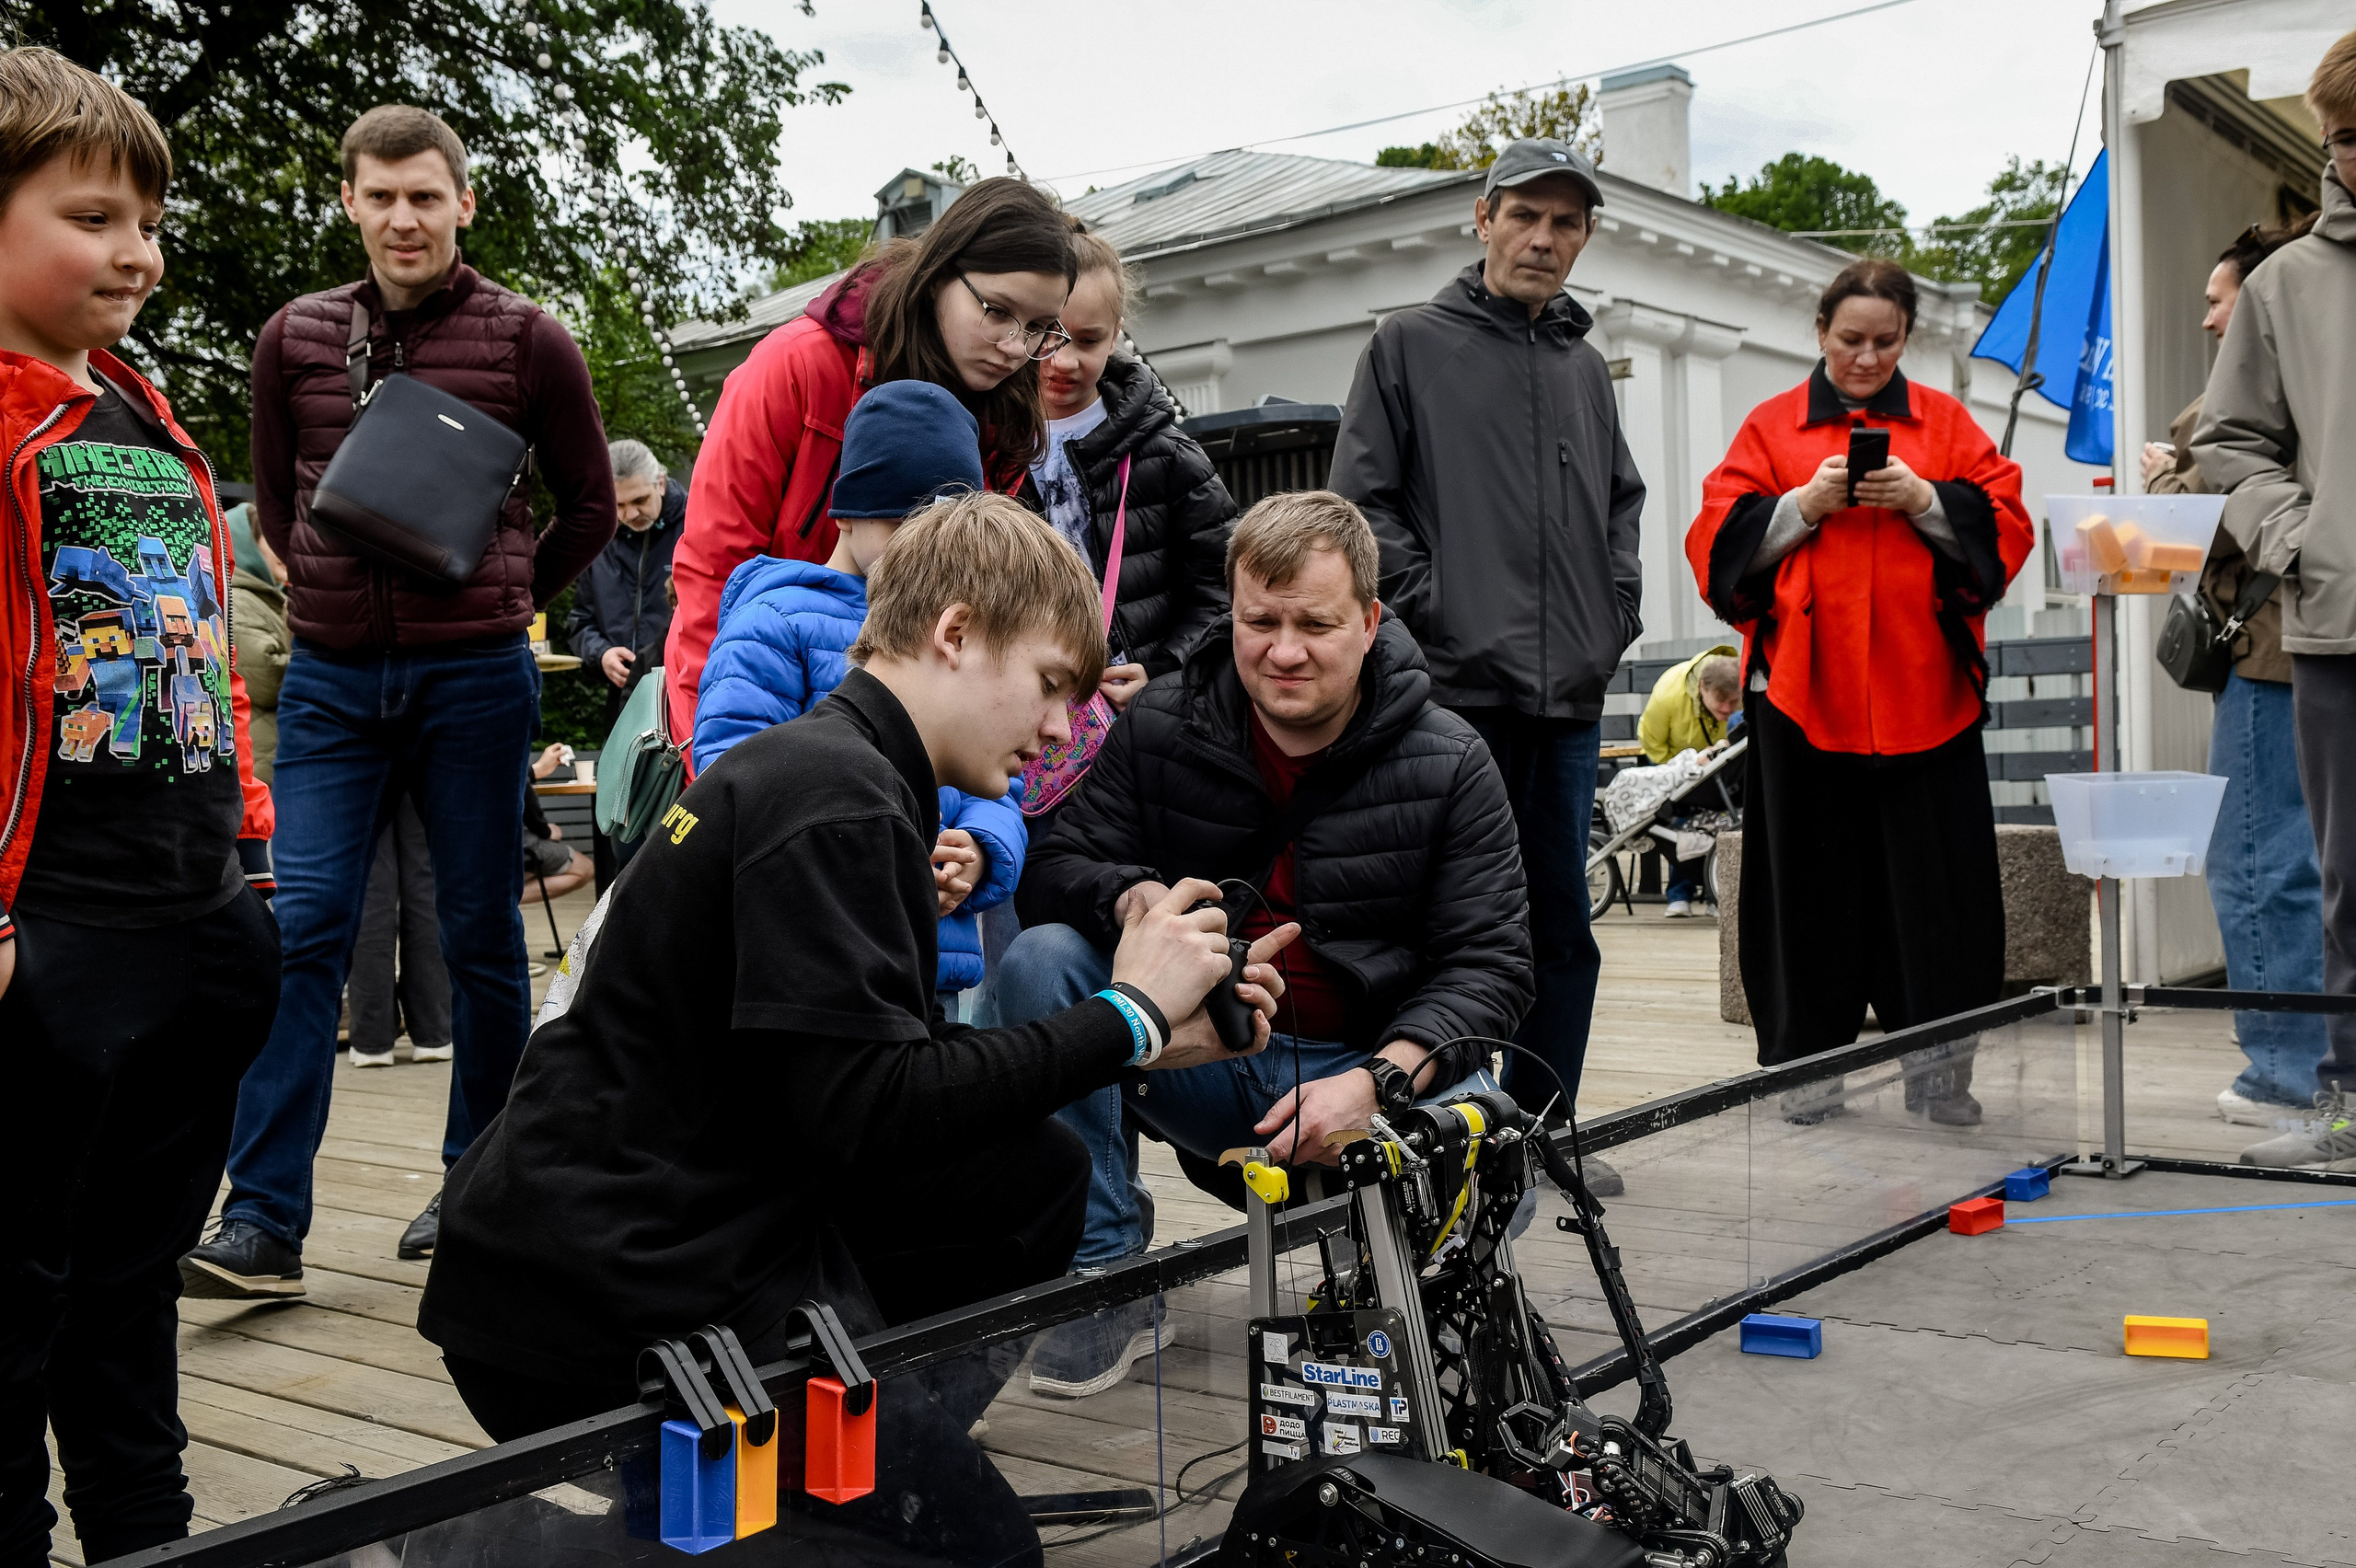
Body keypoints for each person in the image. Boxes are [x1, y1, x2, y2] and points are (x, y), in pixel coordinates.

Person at [417, 494, 1295, 1513]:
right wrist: (1128, 1012)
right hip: (605, 1296)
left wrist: (1140, 1044)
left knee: (1033, 1173)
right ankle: (827, 1500)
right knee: (979, 1551)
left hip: (625, 1236)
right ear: (956, 632)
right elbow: (871, 1116)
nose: (1062, 730)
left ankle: (845, 1475)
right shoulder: (838, 800)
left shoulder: (831, 773)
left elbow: (885, 1095)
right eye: (1053, 686)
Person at [184, 105, 615, 1297]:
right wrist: (322, 592)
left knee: (480, 938)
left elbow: (584, 502)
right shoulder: (294, 337)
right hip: (328, 682)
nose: (403, 218)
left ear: (462, 202)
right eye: (380, 196)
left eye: (424, 195)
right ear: (349, 202)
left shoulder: (532, 341)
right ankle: (263, 1219)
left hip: (475, 674)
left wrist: (504, 590)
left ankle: (479, 1185)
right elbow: (276, 502)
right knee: (306, 925)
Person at [999, 490, 1534, 1398]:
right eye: (1260, 621)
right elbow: (1058, 869)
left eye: (1315, 624)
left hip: (1371, 1065)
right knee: (1041, 960)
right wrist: (1144, 905)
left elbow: (1492, 964)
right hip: (1208, 1050)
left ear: (1369, 621)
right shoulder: (1158, 724)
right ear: (1230, 610)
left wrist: (1378, 1082)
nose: (1283, 651)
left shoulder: (1452, 759)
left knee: (1479, 1201)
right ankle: (1102, 1279)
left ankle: (1368, 1237)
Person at [0, 48, 280, 1564]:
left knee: (130, 1289)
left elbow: (198, 654)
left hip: (189, 916)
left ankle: (149, 1542)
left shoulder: (140, 412)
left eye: (149, 223)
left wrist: (248, 852)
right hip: (45, 935)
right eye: (93, 215)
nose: (138, 252)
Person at [1330, 137, 1644, 1130]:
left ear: (1584, 237)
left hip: (1566, 703)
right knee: (1459, 929)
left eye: (1565, 223)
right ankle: (1441, 1132)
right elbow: (1362, 506)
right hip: (1455, 695)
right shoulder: (1408, 345)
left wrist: (1613, 616)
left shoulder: (1586, 367)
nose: (1543, 239)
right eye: (1525, 216)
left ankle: (1540, 1133)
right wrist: (1436, 617)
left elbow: (1620, 508)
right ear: (1483, 218)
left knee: (1560, 927)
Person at [1685, 259, 2032, 1124]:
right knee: (1807, 896)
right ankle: (1805, 1073)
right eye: (1850, 340)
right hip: (1804, 701)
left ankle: (1940, 1075)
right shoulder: (1770, 429)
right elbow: (1713, 548)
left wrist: (1924, 499)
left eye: (1886, 341)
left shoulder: (1949, 424)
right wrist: (1803, 505)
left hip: (1930, 701)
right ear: (1819, 333)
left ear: (1908, 337)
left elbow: (2006, 528)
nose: (1868, 358)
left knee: (1939, 901)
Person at [665, 178, 1076, 763]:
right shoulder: (795, 366)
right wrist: (711, 771)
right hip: (758, 714)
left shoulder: (1004, 415)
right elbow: (713, 576)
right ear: (938, 273)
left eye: (1038, 329)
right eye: (997, 312)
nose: (1015, 347)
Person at [694, 382, 1025, 1022]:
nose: (923, 551)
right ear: (845, 514)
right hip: (806, 957)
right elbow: (733, 778)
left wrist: (982, 851)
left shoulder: (957, 633)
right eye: (903, 522)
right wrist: (873, 861)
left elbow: (1001, 781)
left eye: (942, 533)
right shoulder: (774, 621)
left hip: (932, 959)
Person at [2193, 26, 2356, 1172]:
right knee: (2348, 888)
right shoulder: (2288, 280)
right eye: (2350, 138)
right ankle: (2344, 1104)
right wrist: (2305, 539)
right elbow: (2228, 440)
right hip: (2339, 630)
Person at [2144, 219, 2327, 1126]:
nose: (2211, 321)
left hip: (2270, 655)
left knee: (2258, 863)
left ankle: (2284, 1075)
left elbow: (2199, 527)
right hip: (2319, 647)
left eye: (2218, 302)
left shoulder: (2245, 399)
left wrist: (2167, 476)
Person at [567, 438, 682, 721]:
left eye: (640, 500)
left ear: (661, 483)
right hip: (622, 699)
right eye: (618, 505)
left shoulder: (696, 525)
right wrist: (601, 654)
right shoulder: (599, 537)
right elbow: (581, 620)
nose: (630, 514)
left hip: (684, 694)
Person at [345, 797, 452, 1075]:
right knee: (425, 886)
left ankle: (372, 1039)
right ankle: (434, 1033)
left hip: (356, 761)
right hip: (427, 761)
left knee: (371, 892)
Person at [1636, 646, 1740, 917]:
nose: (1728, 709)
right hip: (1673, 763)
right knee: (1681, 820)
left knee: (1716, 821)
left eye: (1734, 702)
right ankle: (1679, 894)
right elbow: (1652, 742)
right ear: (1702, 687)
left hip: (1717, 766)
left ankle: (1713, 894)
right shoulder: (1668, 695)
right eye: (1722, 701)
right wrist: (1682, 770)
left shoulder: (1730, 702)